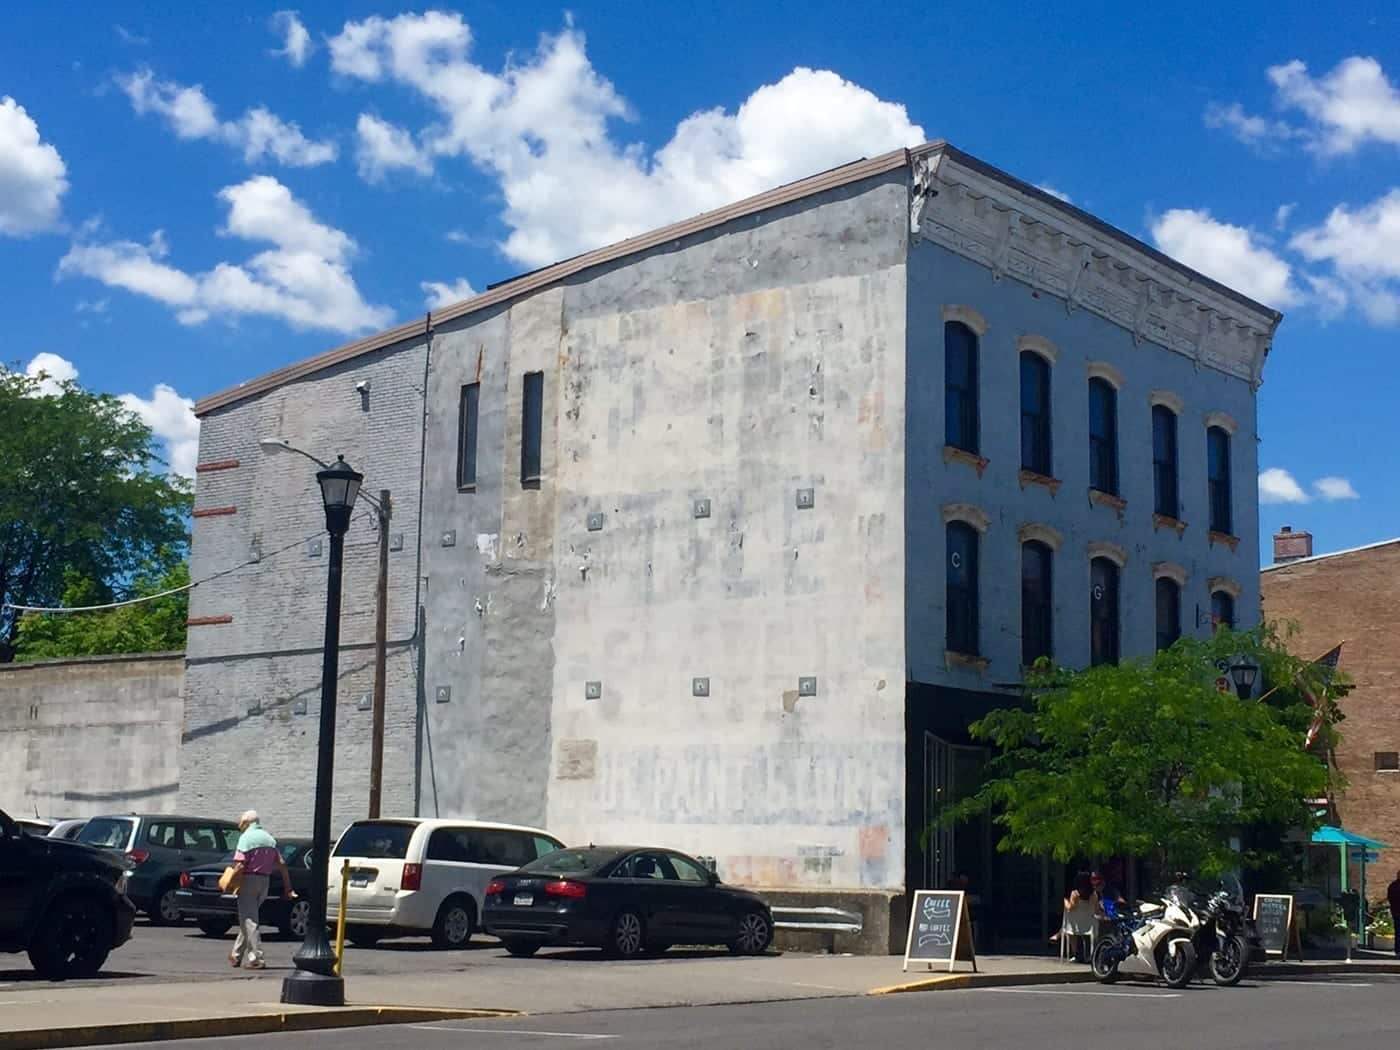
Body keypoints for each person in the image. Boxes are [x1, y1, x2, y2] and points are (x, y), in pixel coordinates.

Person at [228, 810, 295, 970]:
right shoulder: (269, 839)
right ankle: (236, 955)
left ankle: (256, 958)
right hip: (264, 881)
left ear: (246, 823)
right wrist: (288, 887)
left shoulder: (245, 838)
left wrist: (230, 882)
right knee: (249, 918)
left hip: (248, 880)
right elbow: (282, 864)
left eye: (241, 823)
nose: (240, 826)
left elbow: (240, 865)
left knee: (250, 920)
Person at [1061, 871, 1095, 962]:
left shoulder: (1075, 894)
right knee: (1087, 936)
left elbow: (1071, 908)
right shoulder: (1093, 894)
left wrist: (1065, 901)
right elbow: (1096, 909)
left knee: (1071, 933)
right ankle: (1088, 955)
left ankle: (1077, 954)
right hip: (1089, 925)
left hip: (1076, 925)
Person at [1388, 870, 1400, 960]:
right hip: (1397, 911)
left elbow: (1390, 898)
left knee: (1398, 931)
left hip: (1396, 911)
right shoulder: (1394, 886)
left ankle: (1398, 950)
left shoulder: (1393, 886)